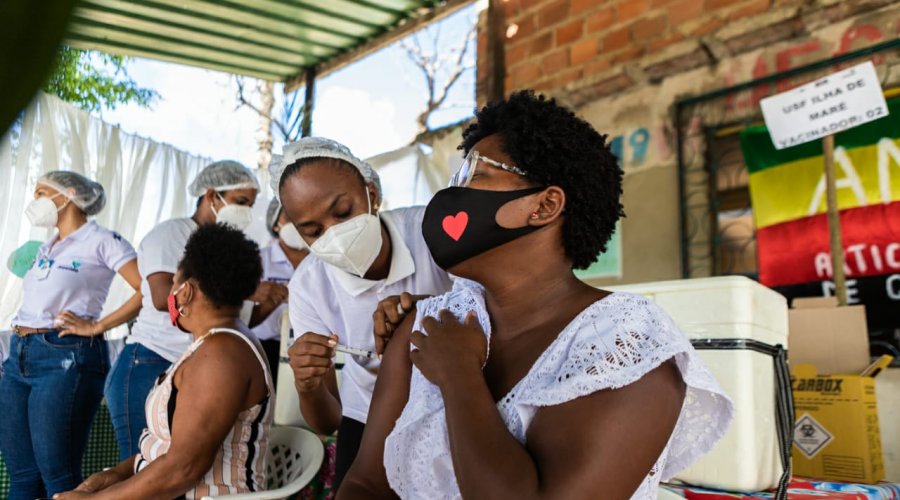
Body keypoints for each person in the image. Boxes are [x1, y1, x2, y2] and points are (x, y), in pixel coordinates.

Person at [338, 91, 734, 500]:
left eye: (475, 173)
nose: (453, 194)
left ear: (544, 205)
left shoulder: (625, 347)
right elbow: (365, 483)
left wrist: (459, 376)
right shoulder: (432, 321)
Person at [272, 137, 453, 490]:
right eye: (313, 231)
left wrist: (424, 308)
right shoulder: (309, 287)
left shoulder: (430, 232)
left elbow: (495, 309)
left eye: (342, 212)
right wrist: (307, 384)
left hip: (454, 401)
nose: (335, 234)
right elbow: (328, 422)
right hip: (368, 416)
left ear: (372, 193)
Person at [56, 224, 274, 500]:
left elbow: (184, 469)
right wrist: (118, 473)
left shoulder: (220, 355)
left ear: (187, 291)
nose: (171, 293)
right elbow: (171, 449)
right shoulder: (210, 345)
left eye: (173, 284)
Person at [104, 160, 261, 461]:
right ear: (212, 196)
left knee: (166, 459)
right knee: (142, 461)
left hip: (190, 363)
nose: (246, 212)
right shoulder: (173, 233)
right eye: (240, 202)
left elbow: (235, 318)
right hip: (150, 359)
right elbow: (165, 298)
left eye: (250, 205)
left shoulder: (228, 251)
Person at [0, 171, 142, 499]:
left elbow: (147, 289)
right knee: (22, 475)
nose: (35, 201)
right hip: (19, 354)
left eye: (41, 192)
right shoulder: (48, 247)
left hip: (64, 355)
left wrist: (98, 326)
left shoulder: (103, 240)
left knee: (57, 475)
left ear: (69, 194)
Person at [250, 195, 309, 383]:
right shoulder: (258, 259)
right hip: (266, 348)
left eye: (304, 216)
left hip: (308, 347)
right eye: (291, 216)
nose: (299, 222)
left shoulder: (321, 262)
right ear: (276, 224)